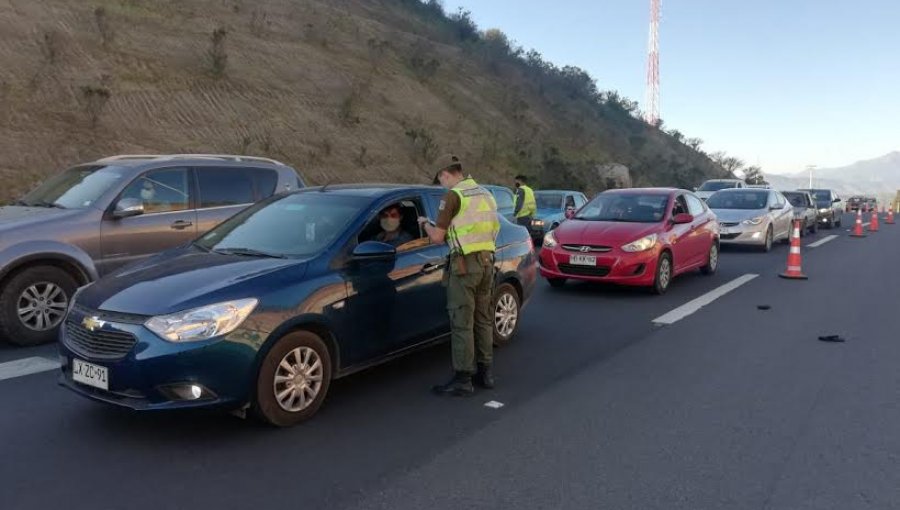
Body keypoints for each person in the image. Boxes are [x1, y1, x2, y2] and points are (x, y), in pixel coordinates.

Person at [419, 155, 500, 396]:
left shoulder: (453, 196)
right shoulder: (485, 193)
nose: (442, 184)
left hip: (465, 266)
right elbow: (493, 227)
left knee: (461, 321)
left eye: (441, 179)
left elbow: (436, 237)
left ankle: (463, 378)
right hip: (487, 262)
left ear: (446, 174)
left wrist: (424, 223)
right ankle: (485, 374)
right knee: (483, 319)